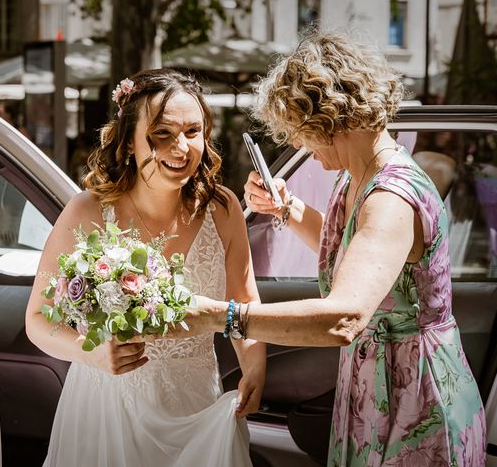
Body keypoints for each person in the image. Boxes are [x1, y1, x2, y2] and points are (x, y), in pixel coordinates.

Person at [180, 31, 487, 465]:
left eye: (298, 131)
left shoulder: (390, 199)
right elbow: (356, 249)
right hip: (377, 387)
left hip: (414, 401)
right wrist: (286, 209)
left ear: (328, 118)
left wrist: (221, 315)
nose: (296, 144)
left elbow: (344, 316)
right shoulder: (357, 177)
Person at [25, 68, 265, 466]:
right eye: (162, 134)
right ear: (129, 142)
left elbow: (243, 301)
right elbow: (36, 319)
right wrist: (91, 354)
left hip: (196, 405)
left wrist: (254, 367)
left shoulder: (223, 210)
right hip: (108, 409)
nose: (182, 148)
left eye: (193, 131)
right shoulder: (87, 212)